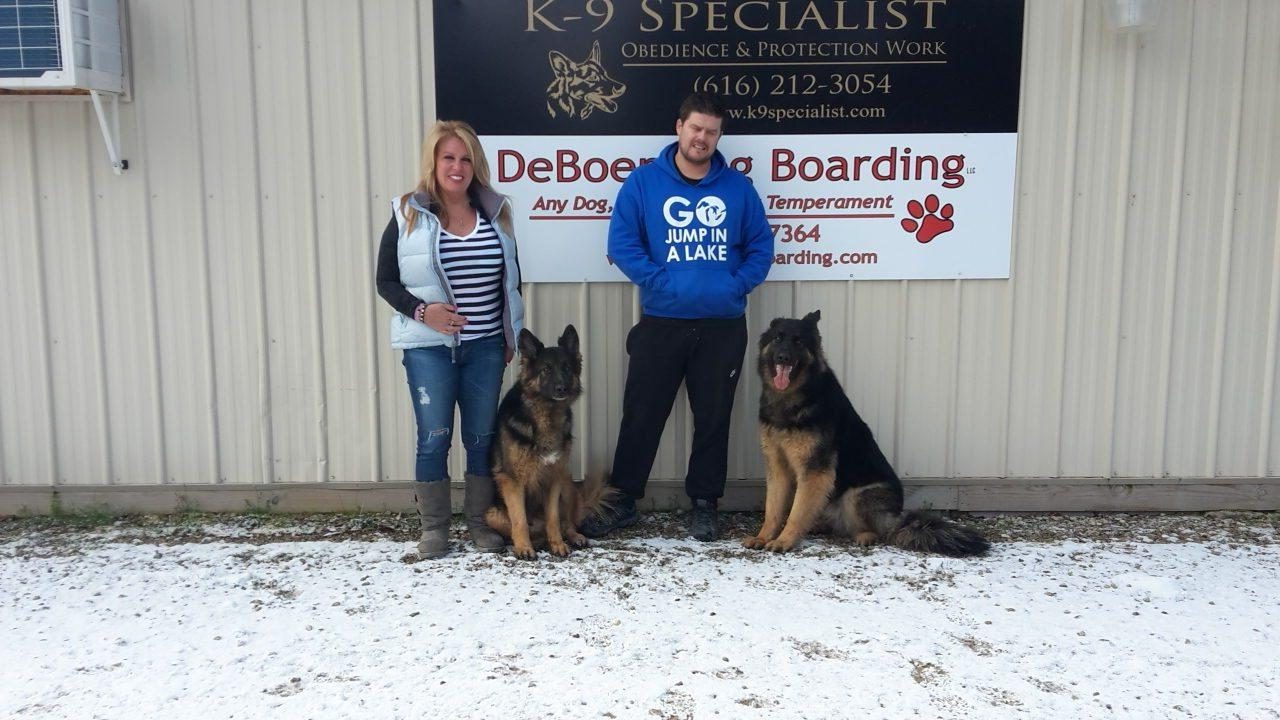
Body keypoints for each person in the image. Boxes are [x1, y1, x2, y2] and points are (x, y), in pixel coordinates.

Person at [581, 92, 774, 542]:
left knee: (714, 418)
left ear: (719, 136)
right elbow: (622, 244)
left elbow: (761, 247)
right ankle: (622, 500)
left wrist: (734, 285)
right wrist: (662, 283)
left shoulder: (738, 189)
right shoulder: (643, 183)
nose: (701, 138)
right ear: (679, 127)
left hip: (723, 325)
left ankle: (705, 503)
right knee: (642, 414)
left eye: (711, 131)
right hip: (661, 322)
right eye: (695, 128)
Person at [376, 120, 524, 558]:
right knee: (434, 437)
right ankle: (435, 529)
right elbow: (386, 281)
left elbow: (512, 281)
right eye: (448, 158)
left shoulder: (496, 213)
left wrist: (509, 333)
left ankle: (479, 523)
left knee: (480, 438)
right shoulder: (407, 214)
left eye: (465, 159)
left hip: (485, 348)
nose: (457, 167)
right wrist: (424, 312)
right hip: (429, 349)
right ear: (434, 162)